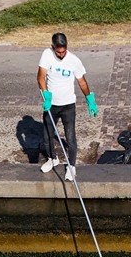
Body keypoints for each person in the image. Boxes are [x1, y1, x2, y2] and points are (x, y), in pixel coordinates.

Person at [36, 32, 98, 182]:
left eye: (63, 51)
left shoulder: (74, 61)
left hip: (68, 105)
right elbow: (40, 77)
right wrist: (47, 95)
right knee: (47, 136)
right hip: (51, 105)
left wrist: (90, 99)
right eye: (58, 52)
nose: (61, 54)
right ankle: (53, 159)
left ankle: (71, 167)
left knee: (70, 138)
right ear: (53, 47)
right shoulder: (47, 54)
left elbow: (82, 81)